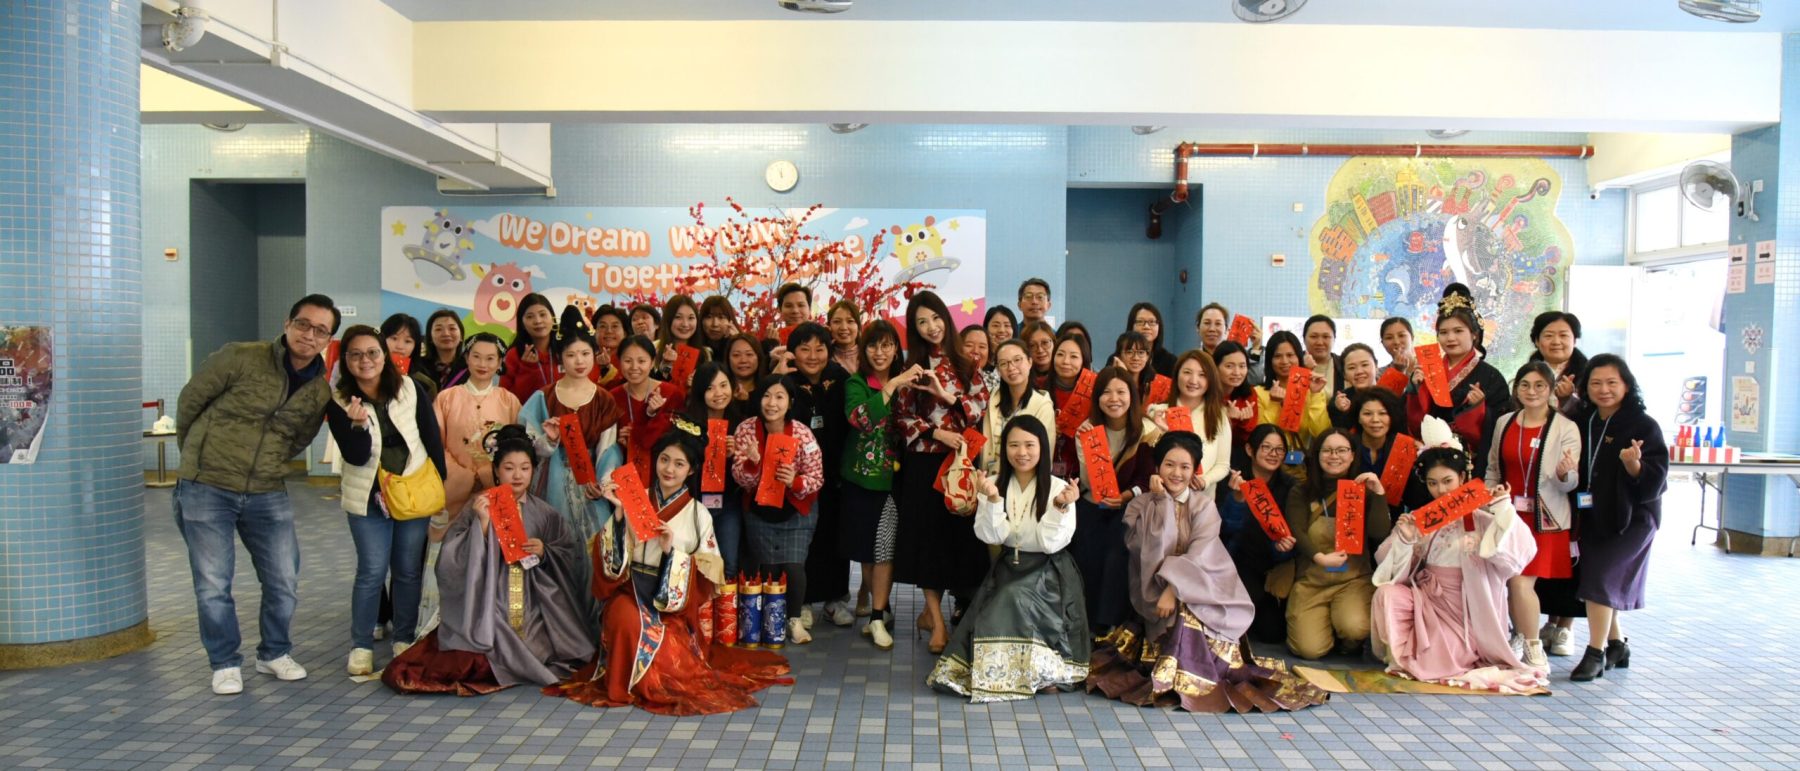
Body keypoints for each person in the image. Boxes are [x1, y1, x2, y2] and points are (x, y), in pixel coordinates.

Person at [1086, 432, 1329, 713]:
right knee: (1176, 617)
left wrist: (1173, 588)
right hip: (1152, 588)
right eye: (1169, 465)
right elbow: (1148, 552)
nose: (1176, 473)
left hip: (1202, 585)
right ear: (1157, 467)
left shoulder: (1204, 505)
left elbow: (1201, 554)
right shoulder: (1139, 506)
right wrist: (1161, 502)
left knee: (1189, 614)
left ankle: (1193, 675)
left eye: (1185, 467)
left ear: (1194, 471)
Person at [554, 432, 794, 714]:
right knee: (625, 619)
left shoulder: (699, 514)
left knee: (670, 653)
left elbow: (708, 572)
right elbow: (610, 560)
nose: (669, 469)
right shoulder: (636, 498)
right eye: (664, 460)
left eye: (679, 464)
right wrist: (618, 515)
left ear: (691, 470)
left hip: (671, 600)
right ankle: (621, 684)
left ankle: (639, 682)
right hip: (631, 589)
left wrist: (672, 552)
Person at [175, 294, 340, 694]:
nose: (310, 335)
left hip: (267, 489)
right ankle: (224, 662)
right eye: (303, 324)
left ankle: (274, 653)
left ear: (328, 339)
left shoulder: (318, 391)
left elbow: (299, 439)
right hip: (207, 485)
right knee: (214, 583)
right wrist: (196, 458)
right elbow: (190, 402)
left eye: (321, 330)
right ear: (287, 324)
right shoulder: (240, 357)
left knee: (284, 578)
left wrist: (269, 464)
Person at [382, 426, 594, 695]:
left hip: (535, 603)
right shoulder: (478, 507)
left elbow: (569, 557)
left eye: (525, 468)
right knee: (474, 657)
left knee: (550, 648)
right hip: (488, 600)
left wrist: (544, 552)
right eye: (509, 468)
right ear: (496, 470)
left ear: (533, 470)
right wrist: (481, 527)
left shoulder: (545, 514)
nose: (517, 475)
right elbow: (450, 561)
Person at [927, 416, 1088, 702]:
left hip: (1048, 570)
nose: (1021, 452)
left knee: (1011, 597)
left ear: (1043, 448)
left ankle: (1025, 671)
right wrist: (991, 500)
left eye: (1029, 445)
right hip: (1008, 566)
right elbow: (991, 535)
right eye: (1014, 445)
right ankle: (1006, 672)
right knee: (997, 602)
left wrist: (1060, 506)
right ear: (1005, 449)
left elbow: (1050, 543)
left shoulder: (1058, 488)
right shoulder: (992, 482)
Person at [321, 325, 444, 676]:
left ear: (384, 355)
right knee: (371, 571)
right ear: (346, 360)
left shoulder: (409, 388)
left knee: (407, 570)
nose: (366, 361)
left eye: (372, 352)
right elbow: (356, 456)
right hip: (368, 499)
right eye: (356, 355)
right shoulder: (340, 401)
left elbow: (430, 437)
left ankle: (403, 638)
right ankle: (361, 645)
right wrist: (357, 426)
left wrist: (439, 487)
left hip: (412, 491)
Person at [1371, 442, 1543, 692]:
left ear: (1462, 478)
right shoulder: (1422, 519)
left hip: (1466, 610)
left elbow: (1516, 555)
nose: (1440, 490)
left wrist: (1503, 508)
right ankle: (1399, 656)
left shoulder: (1482, 519)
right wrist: (1406, 540)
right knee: (1387, 593)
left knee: (1440, 659)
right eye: (1432, 483)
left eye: (1447, 481)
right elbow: (1390, 567)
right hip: (1427, 600)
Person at [893, 291, 991, 655]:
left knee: (963, 540)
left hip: (962, 462)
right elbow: (902, 418)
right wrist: (937, 433)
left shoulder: (967, 364)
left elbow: (980, 408)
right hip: (924, 465)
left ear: (946, 319)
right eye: (922, 322)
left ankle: (943, 610)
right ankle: (936, 621)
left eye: (935, 318)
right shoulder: (912, 368)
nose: (931, 327)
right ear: (914, 328)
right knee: (928, 542)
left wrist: (949, 398)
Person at [1569, 354, 1668, 682]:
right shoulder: (1582, 420)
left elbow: (1657, 480)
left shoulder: (1643, 424)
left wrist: (1633, 465)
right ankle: (1617, 645)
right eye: (1596, 383)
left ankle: (1594, 654)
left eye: (1612, 382)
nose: (1604, 389)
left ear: (1627, 385)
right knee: (1599, 579)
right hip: (1592, 513)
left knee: (1600, 580)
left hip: (1633, 519)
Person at [1485, 362, 1582, 670]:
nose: (1531, 391)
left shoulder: (1565, 427)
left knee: (1520, 582)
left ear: (1551, 389)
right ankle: (1520, 636)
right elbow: (1493, 468)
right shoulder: (1504, 422)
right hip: (1508, 516)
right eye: (1525, 385)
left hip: (1545, 519)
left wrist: (1564, 474)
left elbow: (1570, 482)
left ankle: (1533, 648)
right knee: (1510, 581)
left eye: (1540, 385)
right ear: (1516, 389)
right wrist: (1490, 496)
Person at [840, 320, 923, 650]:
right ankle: (881, 608)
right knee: (867, 550)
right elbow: (861, 418)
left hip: (898, 480)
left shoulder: (909, 383)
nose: (879, 352)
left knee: (885, 547)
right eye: (873, 345)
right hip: (861, 479)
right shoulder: (857, 383)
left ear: (896, 349)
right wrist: (891, 386)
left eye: (887, 345)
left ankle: (876, 616)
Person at [732, 375, 827, 645]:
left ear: (790, 402)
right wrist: (752, 464)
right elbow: (739, 478)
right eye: (766, 395)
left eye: (779, 397)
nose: (772, 403)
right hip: (759, 509)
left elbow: (817, 477)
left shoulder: (802, 433)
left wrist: (794, 481)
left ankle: (794, 620)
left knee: (794, 567)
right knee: (769, 567)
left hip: (795, 508)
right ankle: (769, 623)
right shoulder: (746, 430)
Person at [520, 308, 623, 553]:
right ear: (560, 358)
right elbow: (527, 444)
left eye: (585, 353)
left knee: (591, 549)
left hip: (589, 484)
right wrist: (548, 440)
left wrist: (602, 483)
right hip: (550, 481)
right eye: (571, 355)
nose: (579, 361)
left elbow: (608, 449)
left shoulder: (604, 399)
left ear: (594, 354)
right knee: (550, 543)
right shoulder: (543, 397)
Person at [1284, 429, 1393, 659]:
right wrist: (1320, 557)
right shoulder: (1301, 491)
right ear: (1317, 455)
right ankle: (1325, 629)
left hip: (1352, 580)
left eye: (1342, 450)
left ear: (1352, 455)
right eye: (1327, 450)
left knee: (1355, 627)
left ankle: (1348, 640)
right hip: (1312, 580)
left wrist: (1379, 494)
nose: (1334, 456)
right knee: (1308, 649)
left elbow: (1379, 533)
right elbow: (1297, 531)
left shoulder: (1363, 489)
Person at [1072, 367, 1162, 632]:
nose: (1114, 399)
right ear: (1097, 398)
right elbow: (1088, 482)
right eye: (1106, 392)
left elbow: (1146, 479)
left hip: (1129, 507)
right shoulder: (1087, 430)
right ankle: (1085, 625)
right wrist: (1087, 444)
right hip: (1092, 503)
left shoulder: (1146, 430)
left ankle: (1111, 625)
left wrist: (1124, 497)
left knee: (1116, 555)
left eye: (1121, 392)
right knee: (1085, 555)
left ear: (1132, 396)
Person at [782, 323, 853, 628]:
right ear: (793, 353)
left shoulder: (840, 378)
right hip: (796, 477)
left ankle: (835, 600)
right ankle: (803, 601)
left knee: (835, 536)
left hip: (836, 474)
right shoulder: (785, 381)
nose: (813, 356)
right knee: (803, 539)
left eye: (820, 349)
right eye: (804, 349)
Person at [1407, 284, 1508, 477]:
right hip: (1431, 457)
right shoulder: (1427, 371)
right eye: (1443, 332)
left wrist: (1478, 409)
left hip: (1471, 461)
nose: (1450, 338)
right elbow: (1414, 424)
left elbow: (1499, 426)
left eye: (1458, 331)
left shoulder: (1491, 377)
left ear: (1474, 334)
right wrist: (1416, 388)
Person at [1215, 425, 1299, 644]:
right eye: (1266, 447)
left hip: (1272, 567)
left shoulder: (1291, 487)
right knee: (1237, 620)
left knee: (1273, 633)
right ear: (1250, 450)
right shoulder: (1233, 480)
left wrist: (1282, 549)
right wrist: (1236, 500)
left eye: (1279, 449)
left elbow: (1293, 537)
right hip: (1236, 563)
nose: (1273, 454)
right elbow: (1223, 530)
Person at [435, 333, 522, 524]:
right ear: (467, 358)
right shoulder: (446, 398)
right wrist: (463, 475)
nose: (483, 364)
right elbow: (436, 444)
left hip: (496, 484)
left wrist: (488, 473)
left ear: (499, 362)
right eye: (476, 356)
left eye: (490, 358)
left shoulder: (509, 401)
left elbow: (516, 448)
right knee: (453, 537)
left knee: (495, 536)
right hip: (453, 487)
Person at [683, 363, 747, 579]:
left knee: (729, 562)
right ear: (700, 392)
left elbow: (748, 471)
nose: (718, 393)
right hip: (695, 501)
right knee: (696, 560)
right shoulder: (688, 424)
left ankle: (725, 601)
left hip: (728, 502)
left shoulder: (740, 422)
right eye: (710, 388)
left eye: (723, 385)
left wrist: (734, 456)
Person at [1147, 349, 1232, 491]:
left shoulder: (1219, 416)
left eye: (1202, 375)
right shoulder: (1157, 412)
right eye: (1187, 372)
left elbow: (1223, 464)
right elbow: (1147, 461)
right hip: (1162, 497)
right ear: (1177, 375)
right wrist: (1161, 432)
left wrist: (1205, 480)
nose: (1193, 380)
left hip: (1202, 499)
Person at [1256, 330, 1329, 481]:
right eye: (1277, 356)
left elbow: (1321, 432)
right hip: (1269, 469)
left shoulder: (1311, 390)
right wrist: (1274, 404)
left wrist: (1315, 394)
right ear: (1269, 360)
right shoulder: (1258, 393)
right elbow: (1260, 437)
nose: (1284, 361)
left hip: (1301, 467)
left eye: (1290, 355)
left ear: (1299, 357)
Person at [610, 335, 682, 485]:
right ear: (619, 362)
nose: (634, 367)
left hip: (664, 474)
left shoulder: (671, 393)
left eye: (641, 361)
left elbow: (680, 437)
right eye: (628, 361)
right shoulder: (612, 397)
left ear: (652, 362)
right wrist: (618, 440)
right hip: (626, 475)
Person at [1347, 388, 1429, 515]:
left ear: (1391, 417)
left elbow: (1414, 499)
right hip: (1351, 514)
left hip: (1392, 516)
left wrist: (1421, 462)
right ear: (1358, 418)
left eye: (1382, 413)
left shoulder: (1404, 447)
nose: (1375, 419)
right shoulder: (1347, 445)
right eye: (1367, 414)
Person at [981, 339, 1054, 477]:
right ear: (998, 370)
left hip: (1022, 481)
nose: (1011, 367)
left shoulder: (1042, 405)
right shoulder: (992, 397)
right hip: (987, 479)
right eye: (1004, 363)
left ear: (1030, 362)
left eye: (1017, 360)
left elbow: (1045, 456)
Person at [1044, 332, 1092, 479]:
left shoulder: (1094, 391)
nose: (1065, 361)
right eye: (1060, 354)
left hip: (1081, 473)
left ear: (1084, 360)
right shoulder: (1038, 388)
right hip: (1043, 470)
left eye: (1074, 356)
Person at [1529, 311, 1589, 417]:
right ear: (1537, 341)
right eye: (1548, 336)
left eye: (1563, 335)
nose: (1556, 342)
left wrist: (1568, 400)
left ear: (1574, 340)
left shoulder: (1589, 373)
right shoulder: (1527, 373)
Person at [500, 294, 558, 403]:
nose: (538, 321)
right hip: (526, 413)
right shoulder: (514, 355)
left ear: (552, 317)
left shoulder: (565, 350)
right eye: (530, 317)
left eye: (542, 314)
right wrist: (527, 369)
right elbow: (505, 400)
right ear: (522, 323)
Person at [1212, 341, 1260, 469]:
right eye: (1229, 366)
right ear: (1215, 367)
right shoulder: (1206, 392)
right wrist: (1226, 420)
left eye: (1242, 366)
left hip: (1238, 455)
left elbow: (1246, 441)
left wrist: (1243, 423)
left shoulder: (1249, 394)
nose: (1237, 372)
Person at [1197, 302, 1263, 386]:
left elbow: (1253, 380)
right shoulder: (1193, 360)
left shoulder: (1238, 357)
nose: (1212, 329)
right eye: (1207, 323)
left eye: (1218, 323)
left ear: (1227, 330)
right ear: (1198, 328)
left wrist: (1256, 348)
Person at [653, 294, 710, 386]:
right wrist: (665, 367)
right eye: (678, 317)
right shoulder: (654, 349)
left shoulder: (705, 354)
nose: (685, 324)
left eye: (691, 318)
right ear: (668, 319)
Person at [382, 313, 437, 399]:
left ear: (415, 346)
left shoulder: (425, 385)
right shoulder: (367, 374)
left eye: (407, 341)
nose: (400, 346)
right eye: (394, 338)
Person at [1328, 343, 1383, 429]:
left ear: (1376, 367)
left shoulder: (1391, 394)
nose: (1359, 371)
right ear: (1344, 375)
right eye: (1352, 368)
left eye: (1364, 365)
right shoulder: (1338, 401)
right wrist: (1341, 411)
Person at [1108, 331, 1166, 408]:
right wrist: (1123, 375)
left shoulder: (1160, 384)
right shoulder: (1109, 383)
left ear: (1148, 357)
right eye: (1129, 352)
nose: (1136, 358)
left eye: (1141, 352)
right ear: (1119, 356)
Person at [1126, 302, 1176, 377]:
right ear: (1131, 325)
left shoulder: (1170, 361)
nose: (1146, 327)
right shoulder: (1119, 358)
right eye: (1140, 321)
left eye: (1152, 322)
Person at [1301, 314, 1345, 397]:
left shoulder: (1343, 365)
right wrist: (1304, 370)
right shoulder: (1294, 363)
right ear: (1304, 339)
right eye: (1314, 336)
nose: (1320, 342)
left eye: (1326, 336)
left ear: (1334, 339)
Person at [423, 308, 468, 390]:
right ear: (430, 337)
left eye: (452, 328)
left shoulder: (470, 367)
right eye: (438, 329)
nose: (446, 334)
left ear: (461, 336)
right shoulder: (419, 367)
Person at [590, 304, 630, 388]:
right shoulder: (586, 360)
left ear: (625, 333)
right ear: (595, 332)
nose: (609, 331)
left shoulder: (631, 361)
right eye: (602, 326)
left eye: (615, 326)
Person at [698, 295, 739, 362]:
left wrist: (737, 342)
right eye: (709, 317)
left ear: (730, 321)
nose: (715, 324)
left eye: (721, 317)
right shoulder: (692, 346)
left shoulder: (743, 344)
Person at [826, 300, 862, 374]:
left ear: (858, 326)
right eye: (837, 321)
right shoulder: (823, 357)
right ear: (829, 326)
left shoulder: (869, 355)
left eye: (850, 321)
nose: (844, 327)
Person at [1021, 320, 1057, 388]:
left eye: (1045, 343)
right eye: (1032, 345)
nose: (1040, 350)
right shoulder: (1021, 376)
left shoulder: (1064, 373)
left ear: (1054, 343)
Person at [962, 326, 995, 395]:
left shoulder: (995, 381)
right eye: (969, 345)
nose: (976, 351)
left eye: (982, 347)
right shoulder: (947, 377)